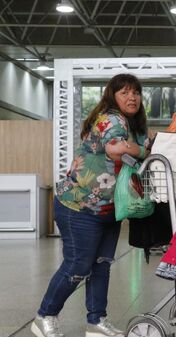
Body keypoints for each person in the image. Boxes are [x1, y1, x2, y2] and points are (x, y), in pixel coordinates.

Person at [32, 74, 150, 337]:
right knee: (77, 266)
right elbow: (116, 148)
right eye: (125, 92)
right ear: (112, 96)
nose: (132, 97)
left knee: (101, 265)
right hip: (79, 206)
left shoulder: (134, 125)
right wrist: (144, 150)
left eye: (136, 93)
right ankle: (44, 315)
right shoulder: (111, 118)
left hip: (109, 208)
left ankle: (96, 322)